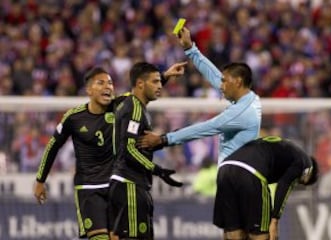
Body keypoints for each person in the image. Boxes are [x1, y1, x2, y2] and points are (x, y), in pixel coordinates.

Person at [33, 63, 186, 240]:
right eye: (101, 83)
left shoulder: (120, 106)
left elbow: (143, 90)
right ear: (89, 90)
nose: (108, 87)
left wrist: (165, 75)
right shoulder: (73, 117)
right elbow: (53, 146)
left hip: (116, 187)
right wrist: (40, 180)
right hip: (89, 188)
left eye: (110, 83)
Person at [137, 27, 262, 165]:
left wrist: (163, 139)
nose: (221, 85)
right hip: (238, 172)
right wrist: (191, 49)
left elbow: (205, 128)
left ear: (237, 82)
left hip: (237, 175)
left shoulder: (241, 112)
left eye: (225, 81)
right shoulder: (248, 98)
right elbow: (215, 76)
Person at [109, 62, 183, 240]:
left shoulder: (134, 104)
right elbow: (129, 148)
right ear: (140, 84)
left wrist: (165, 75)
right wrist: (157, 170)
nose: (159, 86)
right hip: (129, 184)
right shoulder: (134, 108)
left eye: (160, 82)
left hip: (130, 184)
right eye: (155, 82)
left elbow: (138, 144)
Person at [214, 136, 319, 240]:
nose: (297, 183)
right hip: (252, 172)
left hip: (225, 168)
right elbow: (284, 185)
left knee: (233, 233)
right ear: (308, 173)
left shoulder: (285, 148)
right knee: (261, 234)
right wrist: (274, 220)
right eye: (301, 182)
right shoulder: (305, 163)